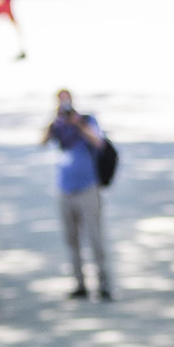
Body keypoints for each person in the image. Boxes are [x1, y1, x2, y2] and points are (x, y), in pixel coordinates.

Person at [42, 92, 112, 303]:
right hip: (65, 189)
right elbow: (43, 141)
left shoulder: (86, 120)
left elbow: (98, 142)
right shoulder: (58, 125)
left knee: (95, 237)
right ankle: (79, 283)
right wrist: (54, 122)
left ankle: (104, 284)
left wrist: (78, 123)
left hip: (87, 187)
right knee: (72, 240)